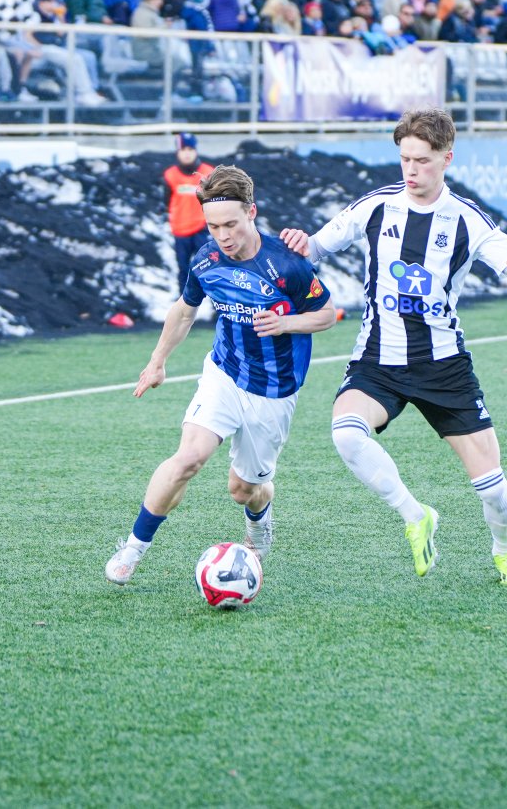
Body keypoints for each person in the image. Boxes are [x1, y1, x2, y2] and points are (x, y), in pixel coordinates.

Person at [278, 108, 507, 585]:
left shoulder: (466, 219)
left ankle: (505, 551)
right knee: (346, 434)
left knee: (492, 488)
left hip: (444, 367)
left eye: (422, 160)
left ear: (447, 158)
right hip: (378, 358)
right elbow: (315, 247)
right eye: (405, 159)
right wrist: (301, 242)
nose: (411, 170)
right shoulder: (376, 206)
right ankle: (416, 515)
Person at [105, 164, 338, 585]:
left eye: (231, 224)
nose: (223, 236)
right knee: (188, 458)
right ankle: (133, 548)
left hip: (274, 389)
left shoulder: (287, 263)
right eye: (213, 227)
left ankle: (259, 522)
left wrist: (286, 323)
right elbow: (184, 311)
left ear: (252, 212)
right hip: (224, 372)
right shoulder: (206, 260)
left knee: (242, 490)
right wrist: (157, 361)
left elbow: (326, 314)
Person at [163, 132, 214, 290]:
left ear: (195, 151)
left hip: (202, 228)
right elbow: (167, 200)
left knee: (207, 267)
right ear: (177, 152)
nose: (187, 153)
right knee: (183, 269)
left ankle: (213, 299)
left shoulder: (208, 173)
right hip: (180, 230)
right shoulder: (170, 175)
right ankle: (183, 299)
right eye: (183, 149)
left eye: (190, 149)